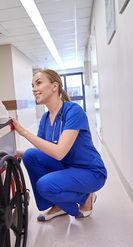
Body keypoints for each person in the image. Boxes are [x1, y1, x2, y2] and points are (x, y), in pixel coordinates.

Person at [12, 69, 107, 221]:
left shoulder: (73, 111)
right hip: (67, 168)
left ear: (54, 86)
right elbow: (41, 152)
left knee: (45, 185)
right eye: (32, 86)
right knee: (30, 155)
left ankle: (85, 197)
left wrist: (23, 132)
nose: (34, 89)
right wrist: (17, 152)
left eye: (38, 83)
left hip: (90, 172)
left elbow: (59, 153)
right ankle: (59, 203)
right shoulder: (45, 118)